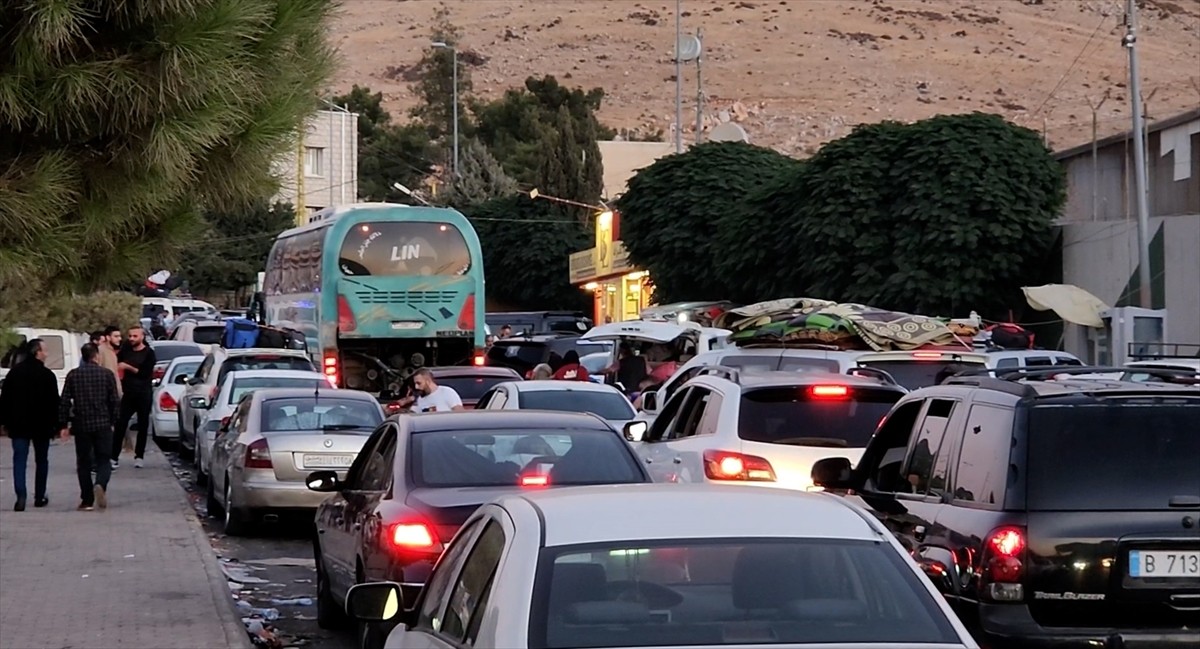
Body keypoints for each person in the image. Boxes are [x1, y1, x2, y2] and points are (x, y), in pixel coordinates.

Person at [0, 339, 61, 511]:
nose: (47, 354)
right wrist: (56, 425)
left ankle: (21, 495)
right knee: (41, 460)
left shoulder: (14, 374)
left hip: (18, 425)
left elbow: (5, 400)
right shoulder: (47, 375)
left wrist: (4, 421)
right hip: (41, 426)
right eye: (45, 350)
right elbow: (53, 403)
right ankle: (40, 495)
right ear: (37, 352)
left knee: (19, 460)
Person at [59, 343, 120, 511]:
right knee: (104, 459)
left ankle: (87, 500)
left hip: (82, 425)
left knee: (84, 462)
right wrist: (113, 421)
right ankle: (100, 483)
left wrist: (63, 424)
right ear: (96, 356)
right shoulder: (106, 374)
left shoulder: (73, 375)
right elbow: (114, 401)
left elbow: (64, 401)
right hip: (103, 423)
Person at [113, 326, 157, 468]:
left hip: (143, 393)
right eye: (130, 336)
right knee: (120, 423)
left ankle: (139, 456)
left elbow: (144, 373)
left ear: (142, 337)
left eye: (135, 336)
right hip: (128, 393)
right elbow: (117, 363)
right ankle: (114, 456)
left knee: (143, 425)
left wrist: (128, 367)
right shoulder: (126, 350)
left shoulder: (149, 353)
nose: (132, 339)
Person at [400, 368, 465, 413]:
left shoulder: (447, 392)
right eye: (415, 384)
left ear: (428, 381)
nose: (416, 387)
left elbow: (460, 414)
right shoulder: (420, 399)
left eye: (419, 383)